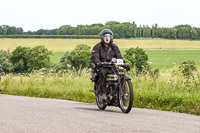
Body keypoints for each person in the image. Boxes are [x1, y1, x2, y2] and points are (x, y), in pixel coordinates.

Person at [90, 29, 123, 100]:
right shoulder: (97, 47)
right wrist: (98, 63)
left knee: (119, 73)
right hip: (101, 66)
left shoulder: (115, 47)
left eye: (109, 36)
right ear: (102, 38)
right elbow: (94, 57)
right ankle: (103, 93)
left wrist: (123, 63)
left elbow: (119, 56)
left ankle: (116, 93)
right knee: (102, 73)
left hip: (111, 66)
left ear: (111, 38)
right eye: (105, 37)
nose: (107, 38)